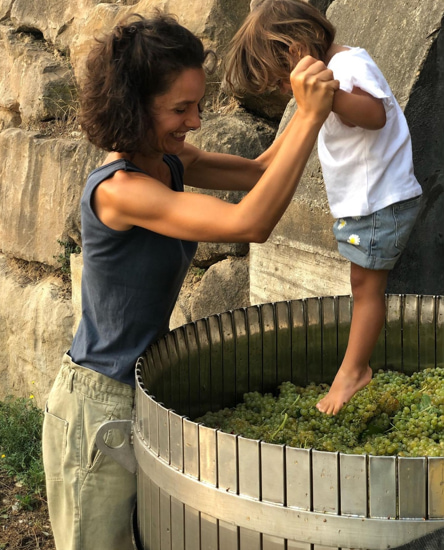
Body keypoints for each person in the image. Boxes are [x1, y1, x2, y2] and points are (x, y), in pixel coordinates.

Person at [41, 10, 337, 550]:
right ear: (133, 106)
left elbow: (263, 170)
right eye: (181, 108)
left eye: (198, 105)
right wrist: (312, 117)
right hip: (98, 405)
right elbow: (250, 223)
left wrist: (303, 101)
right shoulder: (120, 191)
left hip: (141, 391)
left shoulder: (171, 162)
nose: (195, 121)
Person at [224, 0, 423, 415]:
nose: (286, 91)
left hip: (379, 203)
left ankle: (354, 371)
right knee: (362, 286)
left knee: (367, 289)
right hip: (366, 205)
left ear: (298, 47)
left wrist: (328, 98)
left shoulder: (349, 66)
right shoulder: (326, 78)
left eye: (281, 79)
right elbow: (271, 159)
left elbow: (375, 115)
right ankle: (353, 367)